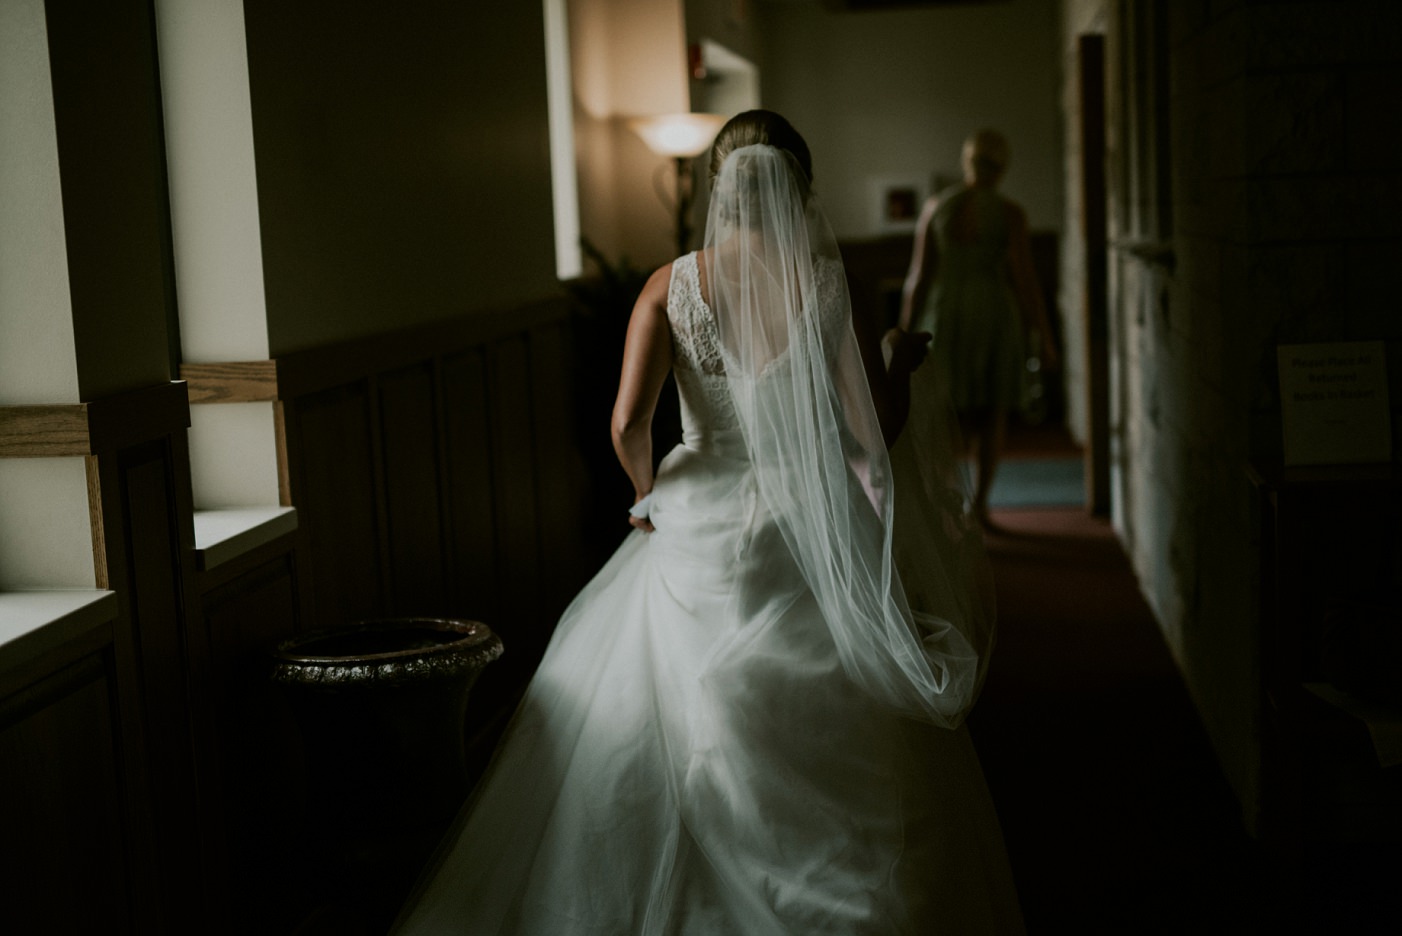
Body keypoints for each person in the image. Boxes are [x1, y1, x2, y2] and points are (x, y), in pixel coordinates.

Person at [390, 110, 1023, 935]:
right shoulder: (829, 284)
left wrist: (645, 495)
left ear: (722, 187)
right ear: (800, 184)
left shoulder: (668, 286)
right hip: (808, 520)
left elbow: (626, 425)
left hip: (702, 513)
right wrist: (899, 363)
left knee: (655, 720)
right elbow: (871, 437)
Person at [900, 129, 1058, 530]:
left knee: (947, 416)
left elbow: (918, 278)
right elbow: (1025, 281)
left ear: (966, 162)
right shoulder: (1010, 213)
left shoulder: (937, 207)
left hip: (946, 314)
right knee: (993, 414)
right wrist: (1045, 337)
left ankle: (946, 504)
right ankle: (982, 507)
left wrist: (903, 331)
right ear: (1002, 166)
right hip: (993, 315)